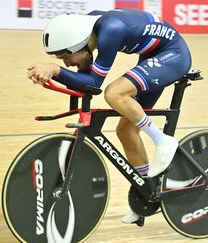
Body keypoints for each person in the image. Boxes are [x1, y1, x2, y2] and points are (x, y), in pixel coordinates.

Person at [27, 9, 192, 225]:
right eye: (62, 60)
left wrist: (56, 70)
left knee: (114, 93)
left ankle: (163, 141)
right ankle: (147, 193)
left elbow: (94, 85)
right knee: (125, 130)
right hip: (154, 56)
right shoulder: (89, 30)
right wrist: (56, 72)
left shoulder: (110, 30)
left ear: (79, 44)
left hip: (173, 54)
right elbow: (86, 78)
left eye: (66, 56)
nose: (67, 63)